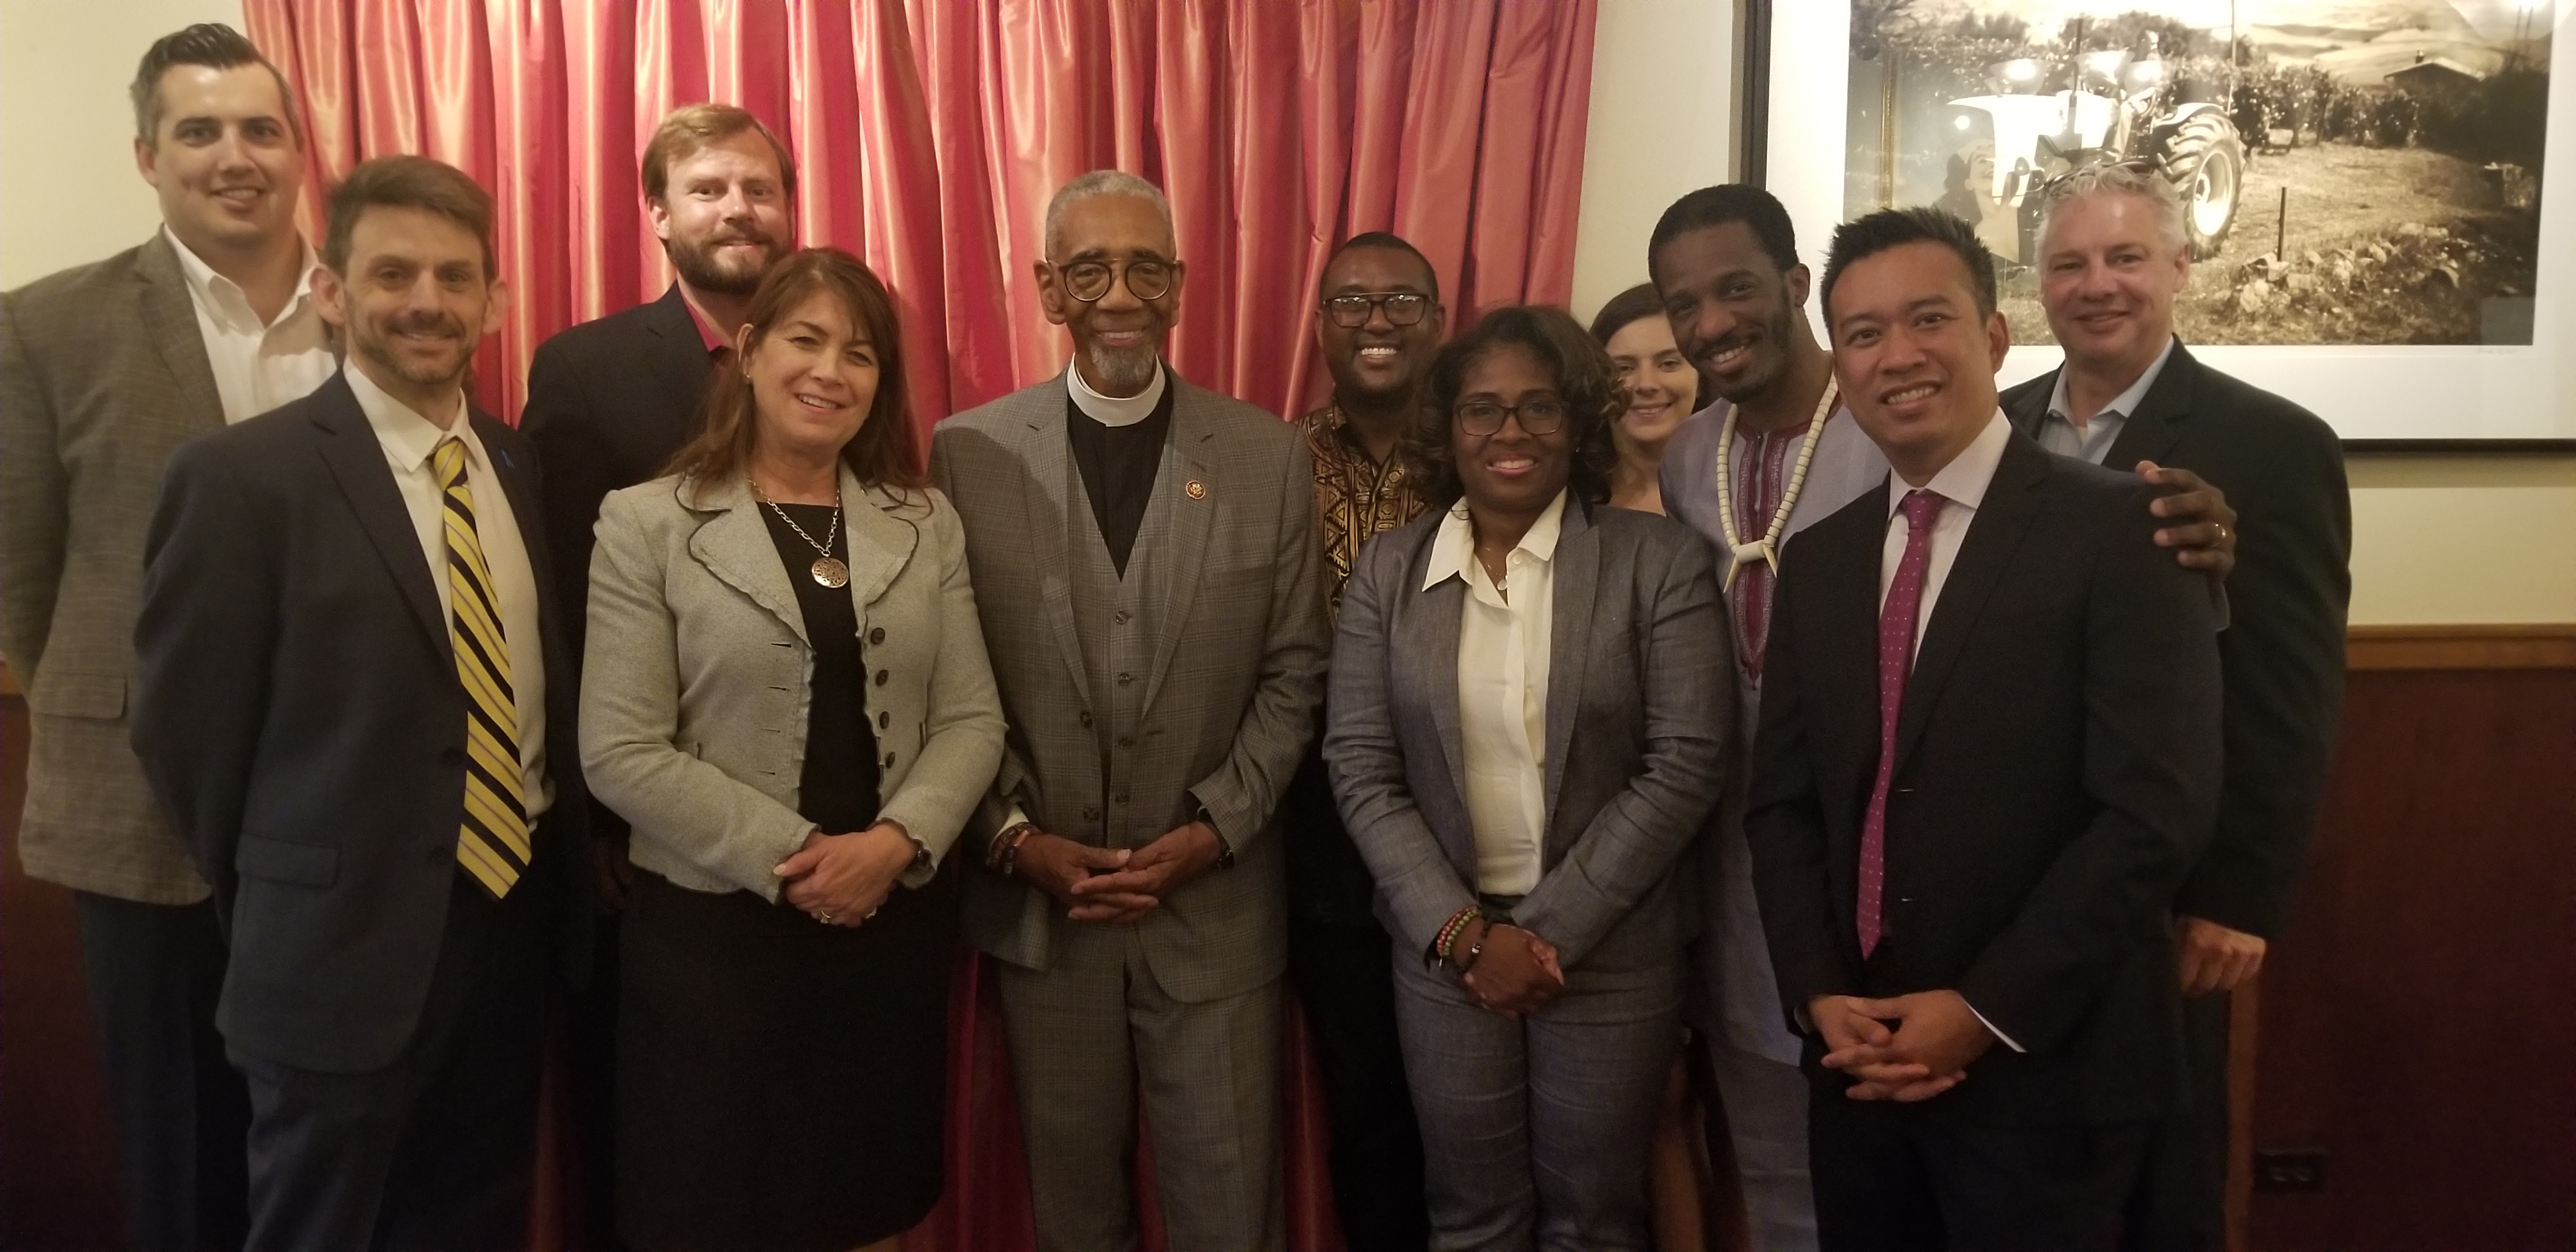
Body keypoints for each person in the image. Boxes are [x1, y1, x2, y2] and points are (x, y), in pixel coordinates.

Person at [1647, 183, 2242, 1252]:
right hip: (1859, 1059)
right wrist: (1821, 997)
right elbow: (1782, 804)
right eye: (1864, 333)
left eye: (1928, 319)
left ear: (1997, 337)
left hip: (2044, 1066)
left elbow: (2152, 815)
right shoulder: (1823, 561)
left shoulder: (2123, 532)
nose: (1896, 355)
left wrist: (1978, 1013)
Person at [129, 155, 592, 1251]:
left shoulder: (517, 467)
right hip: (334, 956)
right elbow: (188, 740)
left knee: (473, 1217)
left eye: (453, 275)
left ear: (494, 298)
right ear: (332, 290)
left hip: (511, 930)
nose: (425, 301)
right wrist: (298, 887)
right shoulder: (242, 479)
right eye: (392, 274)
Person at [928, 169, 1329, 1252]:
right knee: (1073, 1218)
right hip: (1042, 924)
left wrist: (1213, 831)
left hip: (1217, 922)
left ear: (1181, 285)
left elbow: (1296, 674)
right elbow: (945, 680)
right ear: (1048, 289)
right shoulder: (963, 455)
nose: (1120, 292)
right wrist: (1014, 841)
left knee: (1228, 1216)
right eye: (1091, 268)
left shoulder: (1263, 455)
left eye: (1145, 266)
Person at [579, 247, 1004, 1250]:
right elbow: (619, 749)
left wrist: (892, 846)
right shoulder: (648, 523)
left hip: (885, 931)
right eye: (806, 341)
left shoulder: (921, 520)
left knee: (869, 1202)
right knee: (720, 1206)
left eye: (859, 354)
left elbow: (973, 720)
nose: (830, 372)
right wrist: (806, 862)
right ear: (751, 351)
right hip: (716, 945)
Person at [0, 24, 331, 1249]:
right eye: (200, 131)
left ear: (299, 150)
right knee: (179, 1157)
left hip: (335, 819)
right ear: (148, 156)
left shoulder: (380, 313)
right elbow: (24, 584)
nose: (234, 156)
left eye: (260, 128)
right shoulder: (47, 328)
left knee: (324, 1146)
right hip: (142, 820)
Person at [1324, 304, 1732, 1250]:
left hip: (1610, 954)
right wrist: (1468, 936)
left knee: (1595, 1219)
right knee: (1471, 1218)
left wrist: (1542, 937)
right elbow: (1359, 764)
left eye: (1539, 407)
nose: (1510, 431)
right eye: (1483, 409)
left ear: (1580, 420)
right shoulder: (1390, 570)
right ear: (1448, 427)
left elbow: (1686, 763)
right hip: (1445, 961)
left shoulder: (1657, 563)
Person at [2004, 164, 2350, 1252]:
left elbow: (2286, 690)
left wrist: (2240, 897)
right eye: (2068, 262)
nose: (2095, 285)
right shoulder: (1994, 429)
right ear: (2038, 284)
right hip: (2005, 887)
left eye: (2124, 258)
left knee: (2156, 1187)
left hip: (2165, 891)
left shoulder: (2275, 445)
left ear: (2179, 269)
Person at [518, 99, 798, 1246]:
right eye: (709, 188)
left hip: (807, 828)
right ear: (658, 215)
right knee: (650, 1150)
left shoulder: (833, 355)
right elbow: (558, 608)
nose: (738, 207)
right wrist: (593, 823)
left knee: (786, 1145)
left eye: (760, 188)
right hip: (642, 834)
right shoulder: (583, 369)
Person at [1285, 231, 1444, 1251]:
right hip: (1319, 823)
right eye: (1351, 302)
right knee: (1365, 1093)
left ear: (1436, 319)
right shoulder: (1272, 459)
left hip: (1468, 804)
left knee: (1475, 1090)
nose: (1376, 320)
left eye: (1399, 300)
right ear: (1321, 323)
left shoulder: (1489, 444)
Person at [1589, 282, 1698, 514]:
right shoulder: (1563, 493)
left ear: (1703, 377)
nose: (1646, 384)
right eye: (1625, 368)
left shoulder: (1740, 487)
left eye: (1669, 364)